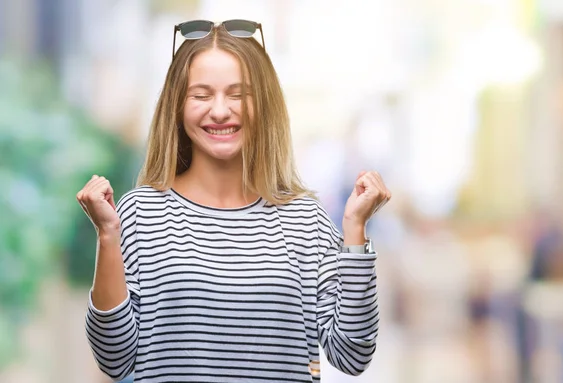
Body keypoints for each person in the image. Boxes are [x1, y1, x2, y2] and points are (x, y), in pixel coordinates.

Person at [77, 19, 391, 383]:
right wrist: (107, 235)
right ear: (177, 106)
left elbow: (352, 355)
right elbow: (113, 359)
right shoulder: (140, 213)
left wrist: (355, 230)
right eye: (201, 94)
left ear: (264, 104)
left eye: (239, 94)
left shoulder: (305, 220)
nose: (221, 110)